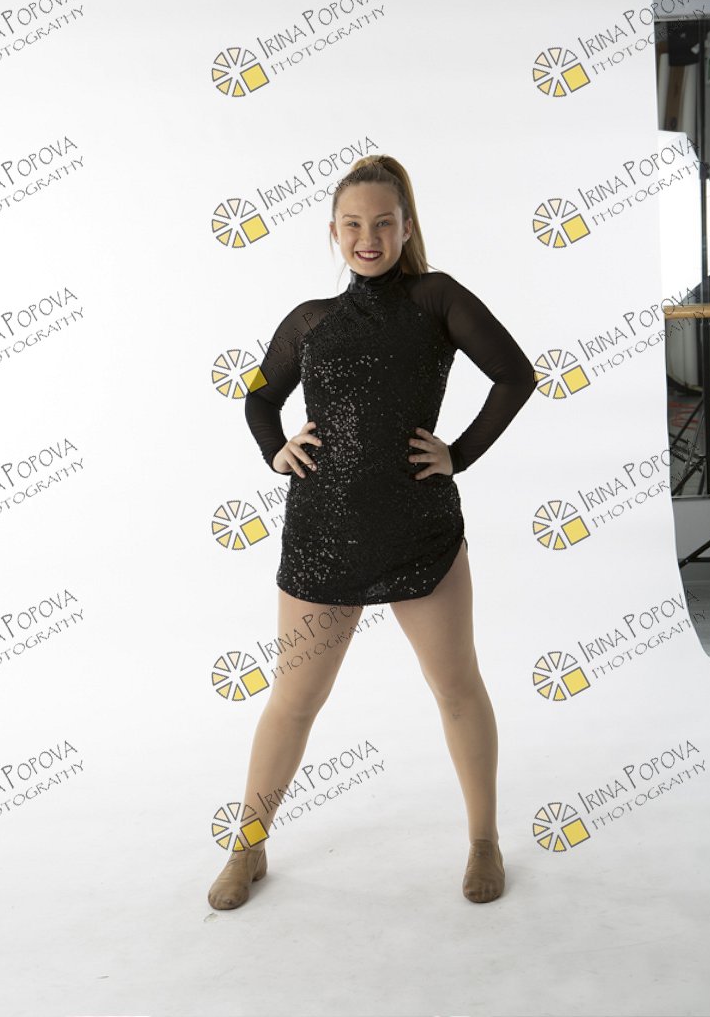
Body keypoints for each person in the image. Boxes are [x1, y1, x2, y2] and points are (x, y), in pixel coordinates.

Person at [207, 154, 537, 910]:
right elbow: (259, 398)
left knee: (457, 687)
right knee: (294, 699)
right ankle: (248, 845)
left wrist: (459, 454)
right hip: (322, 532)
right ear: (334, 231)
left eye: (383, 222)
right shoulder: (311, 320)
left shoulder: (437, 298)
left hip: (421, 531)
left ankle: (483, 839)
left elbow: (516, 375)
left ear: (406, 226)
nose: (368, 237)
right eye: (353, 224)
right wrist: (275, 448)